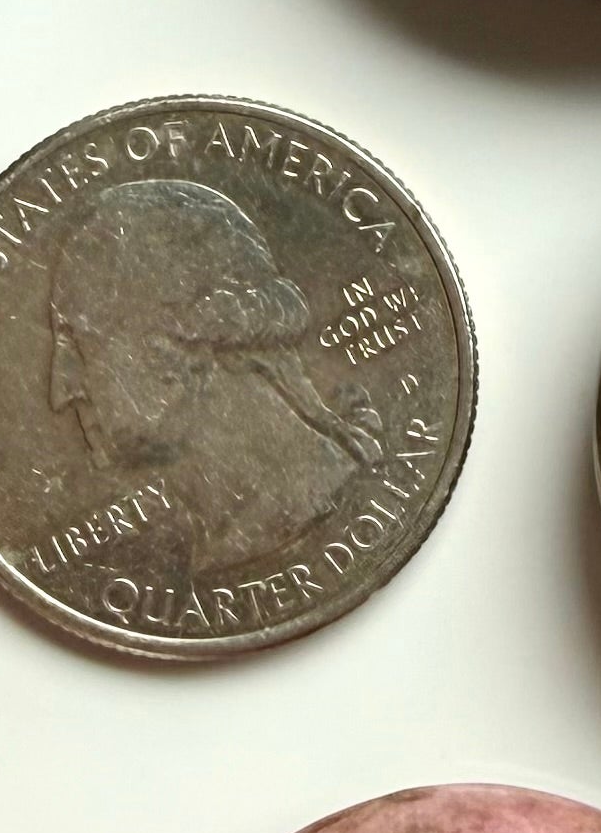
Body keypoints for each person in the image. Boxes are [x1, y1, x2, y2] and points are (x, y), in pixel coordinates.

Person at [46, 181, 380, 574]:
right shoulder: (228, 544)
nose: (61, 392)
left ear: (186, 341)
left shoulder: (303, 508)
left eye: (77, 342)